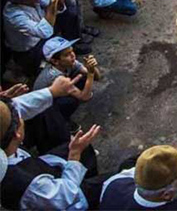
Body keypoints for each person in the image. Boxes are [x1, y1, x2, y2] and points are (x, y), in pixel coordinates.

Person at [0, 76, 101, 210]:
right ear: (17, 134)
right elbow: (65, 196)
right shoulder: (28, 184)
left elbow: (16, 110)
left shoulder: (7, 146)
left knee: (85, 149)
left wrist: (52, 91)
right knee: (106, 185)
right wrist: (74, 157)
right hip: (64, 198)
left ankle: (87, 177)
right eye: (19, 118)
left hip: (40, 167)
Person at [2, 0, 85, 77]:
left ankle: (72, 45)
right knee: (52, 70)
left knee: (69, 13)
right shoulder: (13, 15)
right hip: (32, 49)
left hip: (45, 31)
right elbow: (45, 32)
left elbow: (57, 8)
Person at [33, 36, 101, 123]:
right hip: (42, 108)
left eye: (72, 51)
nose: (73, 55)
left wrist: (92, 68)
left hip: (57, 91)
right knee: (70, 101)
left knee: (82, 77)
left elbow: (97, 77)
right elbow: (84, 97)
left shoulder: (70, 62)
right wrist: (90, 73)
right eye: (67, 54)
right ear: (55, 61)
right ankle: (61, 121)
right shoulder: (54, 76)